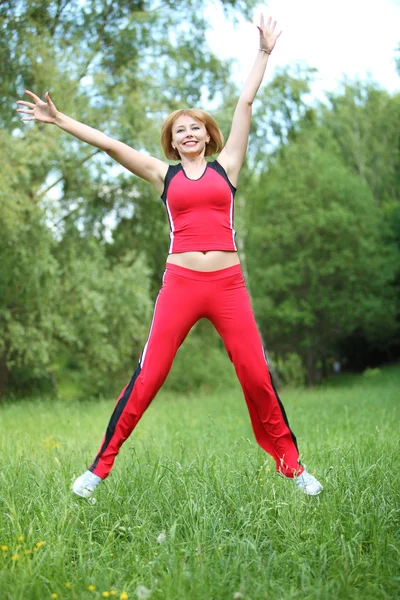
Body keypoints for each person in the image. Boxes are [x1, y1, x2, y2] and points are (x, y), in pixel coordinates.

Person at [17, 15, 323, 497]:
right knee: (149, 376)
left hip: (228, 287)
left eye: (195, 128)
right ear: (172, 139)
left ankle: (293, 467)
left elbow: (245, 102)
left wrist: (264, 52)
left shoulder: (229, 168)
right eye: (179, 130)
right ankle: (98, 470)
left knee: (256, 376)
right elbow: (112, 145)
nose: (188, 134)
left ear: (207, 135)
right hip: (180, 286)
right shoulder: (164, 176)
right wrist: (59, 121)